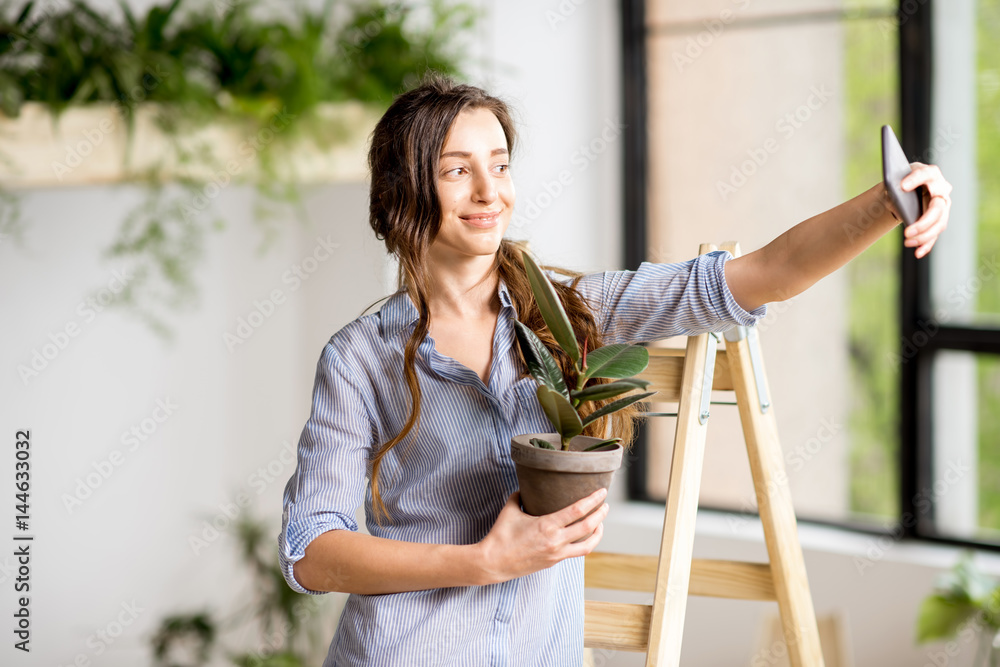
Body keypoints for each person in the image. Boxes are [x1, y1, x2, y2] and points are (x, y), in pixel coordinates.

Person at [278, 76, 951, 666]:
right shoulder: (359, 356)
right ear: (401, 192)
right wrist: (485, 560)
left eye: (501, 165)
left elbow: (762, 276)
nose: (490, 191)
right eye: (458, 170)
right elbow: (312, 548)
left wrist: (888, 203)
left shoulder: (573, 314)